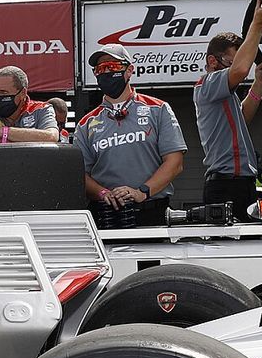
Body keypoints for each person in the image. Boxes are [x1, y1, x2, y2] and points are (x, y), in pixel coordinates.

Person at [75, 44, 187, 226]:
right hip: (107, 216)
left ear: (129, 70)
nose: (106, 72)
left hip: (152, 211)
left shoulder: (158, 109)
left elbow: (175, 162)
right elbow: (79, 175)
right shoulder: (85, 123)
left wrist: (142, 192)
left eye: (112, 66)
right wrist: (103, 193)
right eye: (100, 69)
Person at [194, 0, 262, 221]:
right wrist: (256, 26)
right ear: (213, 61)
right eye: (230, 63)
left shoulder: (224, 94)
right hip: (224, 185)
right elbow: (240, 71)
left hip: (244, 183)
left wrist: (259, 84)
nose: (234, 69)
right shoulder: (205, 85)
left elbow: (243, 117)